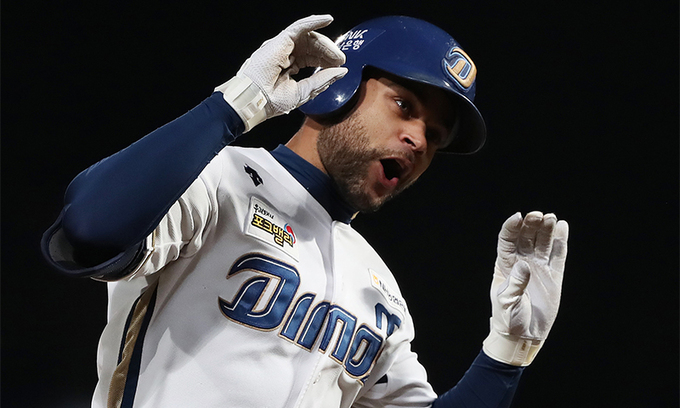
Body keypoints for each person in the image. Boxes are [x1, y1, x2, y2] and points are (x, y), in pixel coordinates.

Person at [41, 14, 569, 408]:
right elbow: (87, 230)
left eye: (434, 136)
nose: (417, 140)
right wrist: (234, 105)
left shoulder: (379, 287)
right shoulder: (216, 178)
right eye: (404, 105)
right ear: (340, 86)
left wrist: (507, 351)